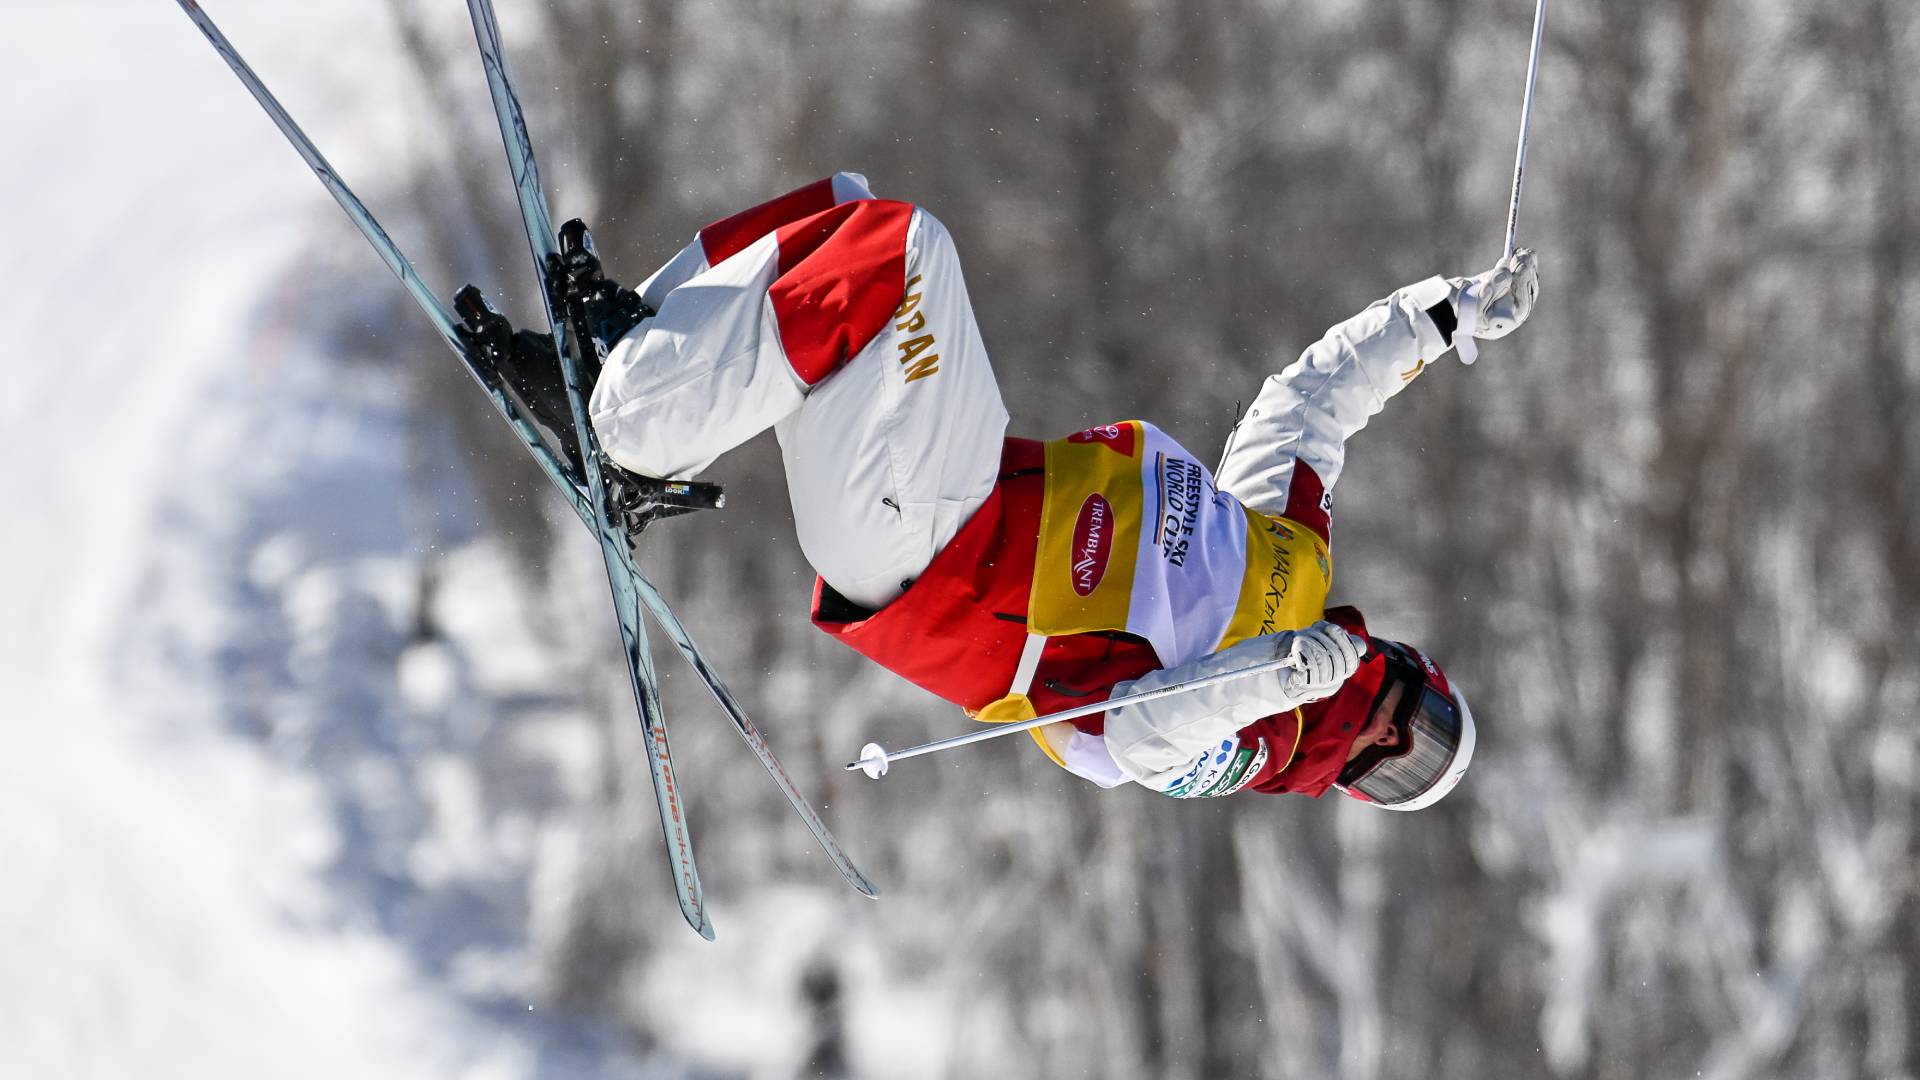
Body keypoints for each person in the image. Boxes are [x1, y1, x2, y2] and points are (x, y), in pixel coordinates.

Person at [491, 172, 1538, 808]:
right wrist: (1445, 315)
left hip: (938, 559)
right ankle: (630, 351)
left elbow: (1142, 735)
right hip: (953, 489)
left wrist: (1283, 678)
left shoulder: (1253, 745)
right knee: (851, 212)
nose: (1393, 743)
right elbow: (1311, 404)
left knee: (903, 254)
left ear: (1351, 788)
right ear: (1421, 671)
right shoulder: (1293, 550)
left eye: (1396, 777)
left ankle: (625, 431)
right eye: (1426, 731)